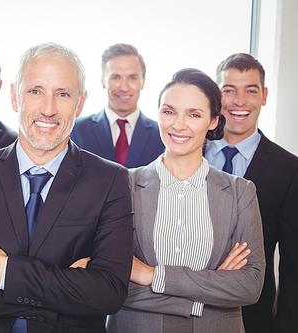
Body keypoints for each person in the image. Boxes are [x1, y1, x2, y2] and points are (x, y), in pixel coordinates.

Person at [0, 42, 134, 333]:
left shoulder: (110, 180)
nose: (48, 109)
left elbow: (107, 293)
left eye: (63, 94)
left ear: (80, 103)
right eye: (35, 91)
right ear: (15, 97)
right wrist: (66, 286)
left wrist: (3, 271)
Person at [107, 68, 265, 333]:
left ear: (214, 121)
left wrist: (152, 275)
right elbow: (109, 284)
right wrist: (211, 291)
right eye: (169, 111)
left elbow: (249, 286)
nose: (178, 125)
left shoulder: (240, 192)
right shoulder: (122, 185)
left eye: (194, 114)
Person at [204, 53, 298, 333]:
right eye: (229, 90)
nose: (240, 101)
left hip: (253, 318)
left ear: (264, 96)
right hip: (183, 310)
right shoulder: (188, 154)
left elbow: (293, 266)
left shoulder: (289, 169)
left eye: (251, 90)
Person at [71, 43, 164, 167]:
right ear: (103, 80)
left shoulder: (162, 134)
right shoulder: (76, 130)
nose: (124, 88)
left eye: (132, 78)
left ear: (143, 81)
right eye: (116, 78)